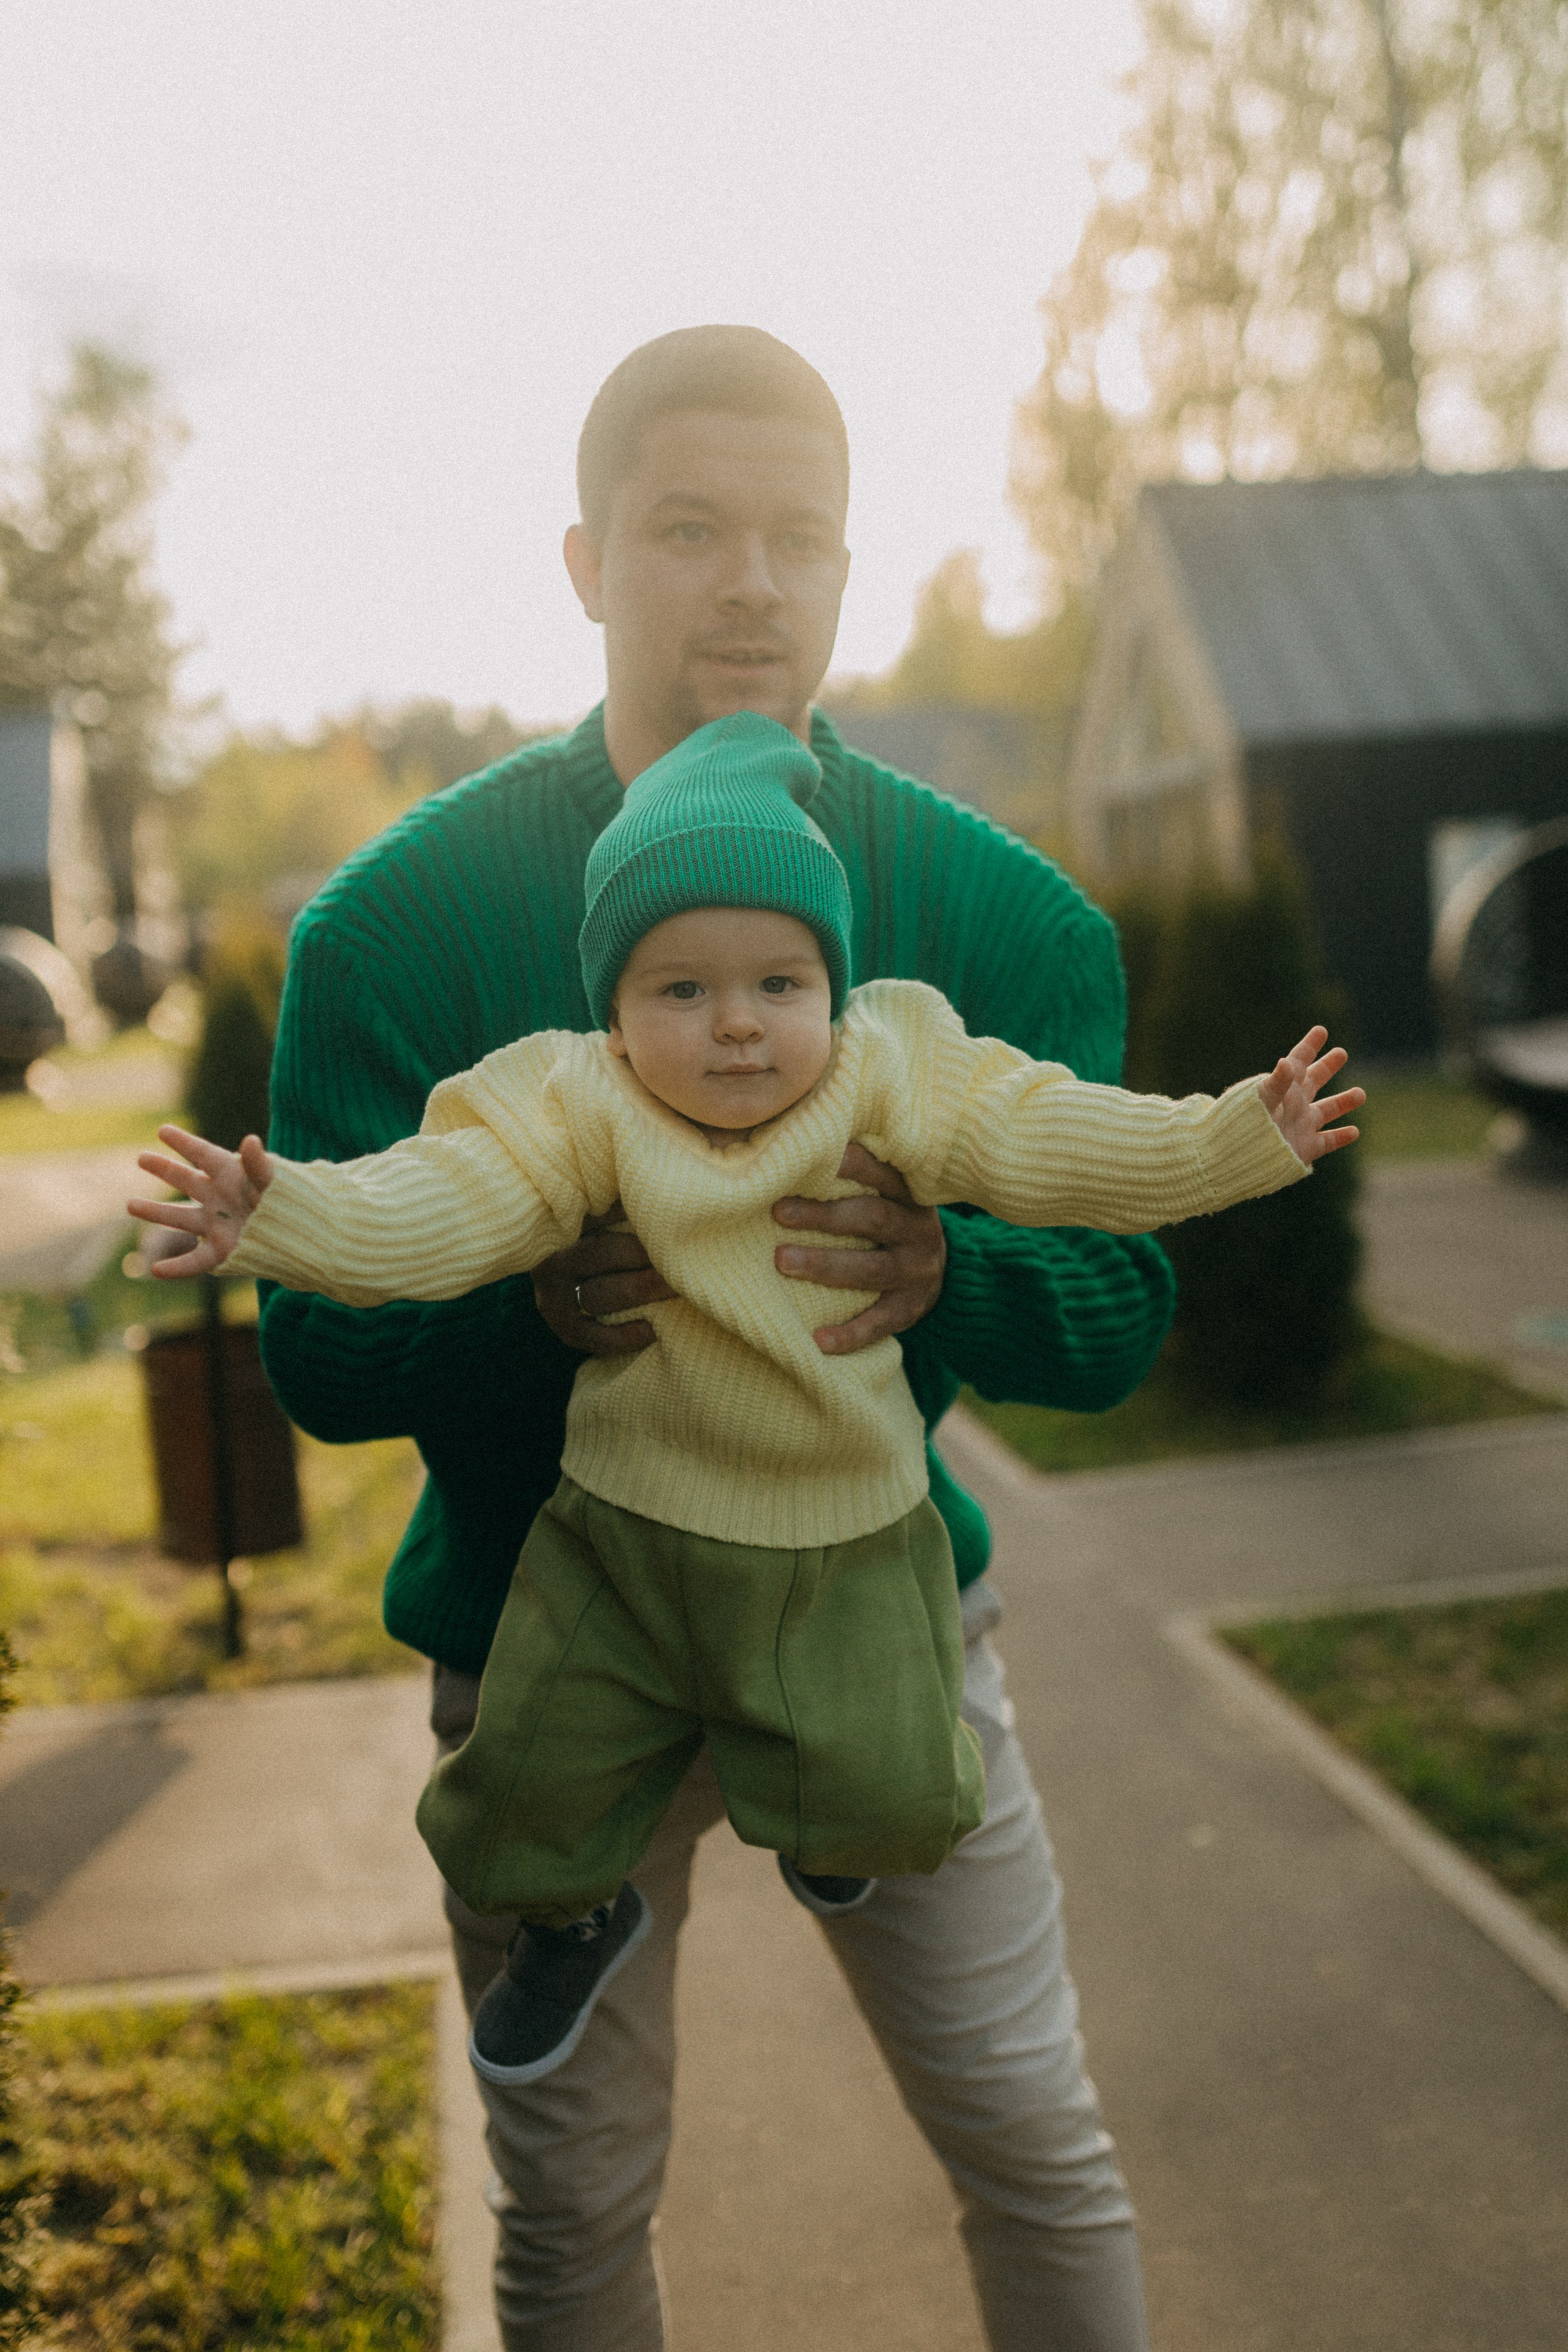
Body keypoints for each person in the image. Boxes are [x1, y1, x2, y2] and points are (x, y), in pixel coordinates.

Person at [230, 324, 1231, 2350]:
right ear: (589, 559)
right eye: (692, 529)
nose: (753, 584)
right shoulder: (392, 931)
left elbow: (1123, 1313)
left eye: (804, 538)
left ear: (852, 570)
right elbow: (321, 1363)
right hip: (536, 1639)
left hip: (880, 1624)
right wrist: (514, 1315)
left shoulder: (1008, 923)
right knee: (573, 2213)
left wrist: (960, 1272)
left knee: (1038, 2144)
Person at [129, 711, 1355, 2098]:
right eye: (679, 990)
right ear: (610, 1008)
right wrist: (276, 1215)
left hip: (845, 1533)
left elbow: (1062, 1140)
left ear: (832, 988)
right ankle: (569, 1915)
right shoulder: (573, 1101)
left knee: (896, 1789)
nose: (733, 1026)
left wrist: (1236, 1134)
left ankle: (834, 1822)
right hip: (622, 1537)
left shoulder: (892, 1070)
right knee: (520, 1782)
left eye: (777, 982)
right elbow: (433, 1203)